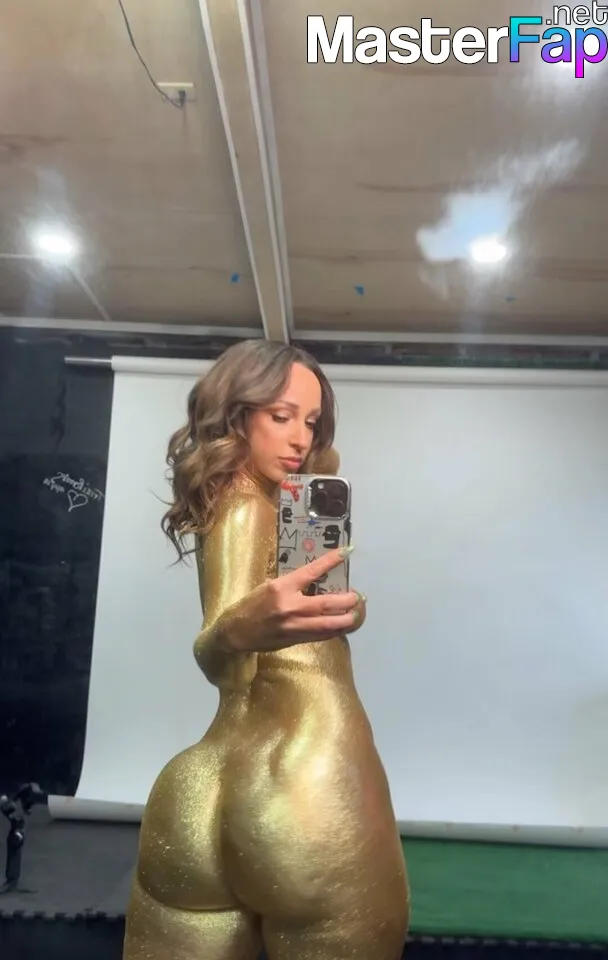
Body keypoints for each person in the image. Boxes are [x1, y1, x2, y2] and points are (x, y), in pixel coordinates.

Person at [122, 340, 409, 960]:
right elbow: (218, 653)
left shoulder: (241, 506)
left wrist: (340, 610)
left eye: (311, 421)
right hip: (305, 782)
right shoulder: (248, 506)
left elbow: (230, 657)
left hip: (199, 789)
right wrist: (240, 630)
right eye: (281, 416)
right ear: (235, 415)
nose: (300, 438)